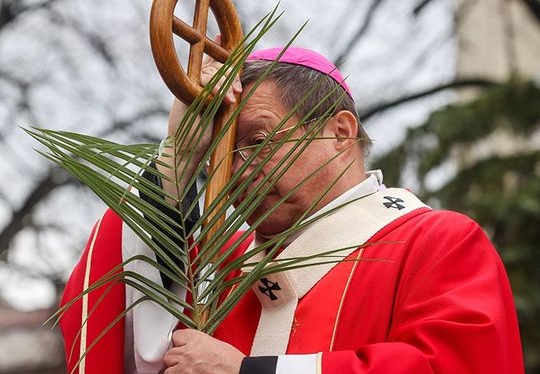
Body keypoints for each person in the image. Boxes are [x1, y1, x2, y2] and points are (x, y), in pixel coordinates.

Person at [60, 46, 524, 374]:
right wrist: (178, 158)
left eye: (259, 142)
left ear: (341, 132)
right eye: (222, 153)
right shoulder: (219, 270)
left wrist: (252, 373)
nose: (238, 171)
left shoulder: (436, 243)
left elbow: (459, 366)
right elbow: (113, 317)